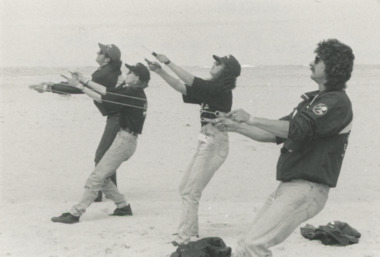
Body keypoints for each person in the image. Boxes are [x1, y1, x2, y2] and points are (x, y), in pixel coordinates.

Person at [206, 39, 354, 256]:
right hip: (290, 187)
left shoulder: (336, 103)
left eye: (318, 59)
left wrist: (252, 118)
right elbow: (275, 133)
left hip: (307, 189)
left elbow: (297, 129)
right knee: (246, 244)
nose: (311, 63)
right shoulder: (312, 102)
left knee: (253, 245)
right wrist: (234, 127)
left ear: (332, 66)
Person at [146, 53, 241, 245]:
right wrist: (160, 72)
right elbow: (181, 87)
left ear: (226, 72)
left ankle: (186, 236)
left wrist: (168, 62)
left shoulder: (219, 90)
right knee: (186, 188)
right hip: (206, 138)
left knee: (190, 190)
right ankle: (191, 230)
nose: (213, 64)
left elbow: (189, 80)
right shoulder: (212, 89)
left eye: (218, 63)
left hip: (215, 140)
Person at [51, 62, 150, 224]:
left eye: (131, 72)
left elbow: (102, 98)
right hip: (127, 139)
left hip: (125, 140)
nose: (127, 73)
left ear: (138, 78)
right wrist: (83, 80)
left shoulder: (132, 93)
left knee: (96, 177)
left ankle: (75, 213)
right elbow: (106, 91)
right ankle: (122, 206)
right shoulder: (134, 92)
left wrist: (80, 86)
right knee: (102, 176)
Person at [29, 43, 123, 202]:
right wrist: (55, 85)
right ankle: (109, 191)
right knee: (107, 154)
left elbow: (77, 89)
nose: (97, 52)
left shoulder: (104, 73)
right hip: (119, 115)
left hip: (119, 116)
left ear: (107, 59)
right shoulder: (108, 71)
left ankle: (98, 192)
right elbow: (82, 85)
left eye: (100, 52)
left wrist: (48, 87)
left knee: (102, 155)